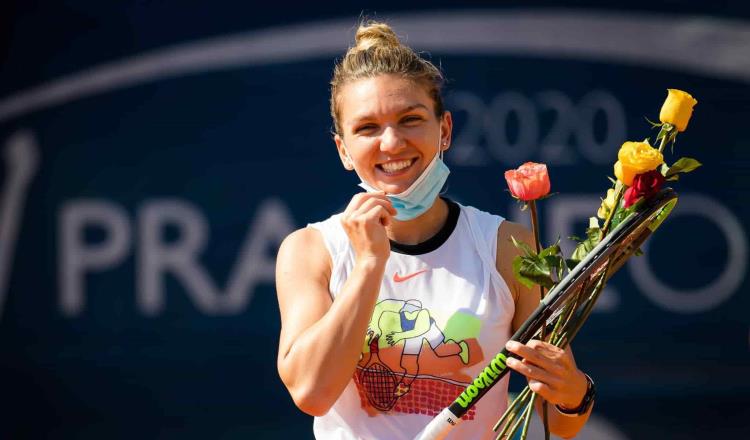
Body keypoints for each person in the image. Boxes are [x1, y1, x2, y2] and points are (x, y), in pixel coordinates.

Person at [275, 20, 594, 439]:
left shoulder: (506, 246)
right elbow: (312, 393)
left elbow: (558, 419)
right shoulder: (311, 250)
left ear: (444, 130)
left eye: (410, 119)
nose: (391, 143)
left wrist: (573, 392)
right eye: (367, 128)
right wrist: (370, 263)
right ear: (343, 151)